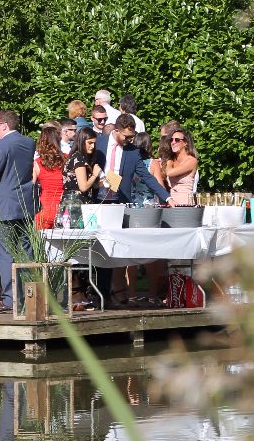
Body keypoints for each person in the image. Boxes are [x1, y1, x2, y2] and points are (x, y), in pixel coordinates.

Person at [97, 115, 172, 307]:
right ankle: (100, 294)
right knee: (99, 250)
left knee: (117, 250)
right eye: (126, 137)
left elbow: (147, 177)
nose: (130, 141)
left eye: (132, 137)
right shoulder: (99, 143)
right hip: (97, 200)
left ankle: (113, 294)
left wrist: (167, 197)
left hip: (120, 202)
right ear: (116, 130)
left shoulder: (133, 152)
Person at [0, 110, 36, 314]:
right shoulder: (29, 143)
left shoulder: (2, 144)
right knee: (25, 252)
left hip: (1, 207)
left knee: (4, 254)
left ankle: (10, 298)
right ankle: (29, 296)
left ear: (4, 125)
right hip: (23, 204)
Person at [61, 127, 102, 228]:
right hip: (76, 205)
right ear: (82, 141)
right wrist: (95, 175)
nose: (92, 146)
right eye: (90, 143)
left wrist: (105, 182)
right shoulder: (78, 158)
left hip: (76, 203)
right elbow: (83, 187)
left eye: (94, 143)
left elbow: (88, 185)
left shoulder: (78, 157)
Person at [151, 128, 198, 206]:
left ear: (185, 143)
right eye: (171, 140)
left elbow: (170, 173)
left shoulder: (191, 161)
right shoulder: (172, 160)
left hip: (186, 204)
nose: (173, 142)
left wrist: (168, 161)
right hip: (172, 203)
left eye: (177, 140)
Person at [33, 125, 65, 229]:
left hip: (45, 210)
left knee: (41, 244)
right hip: (63, 210)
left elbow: (31, 185)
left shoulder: (37, 163)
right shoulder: (67, 159)